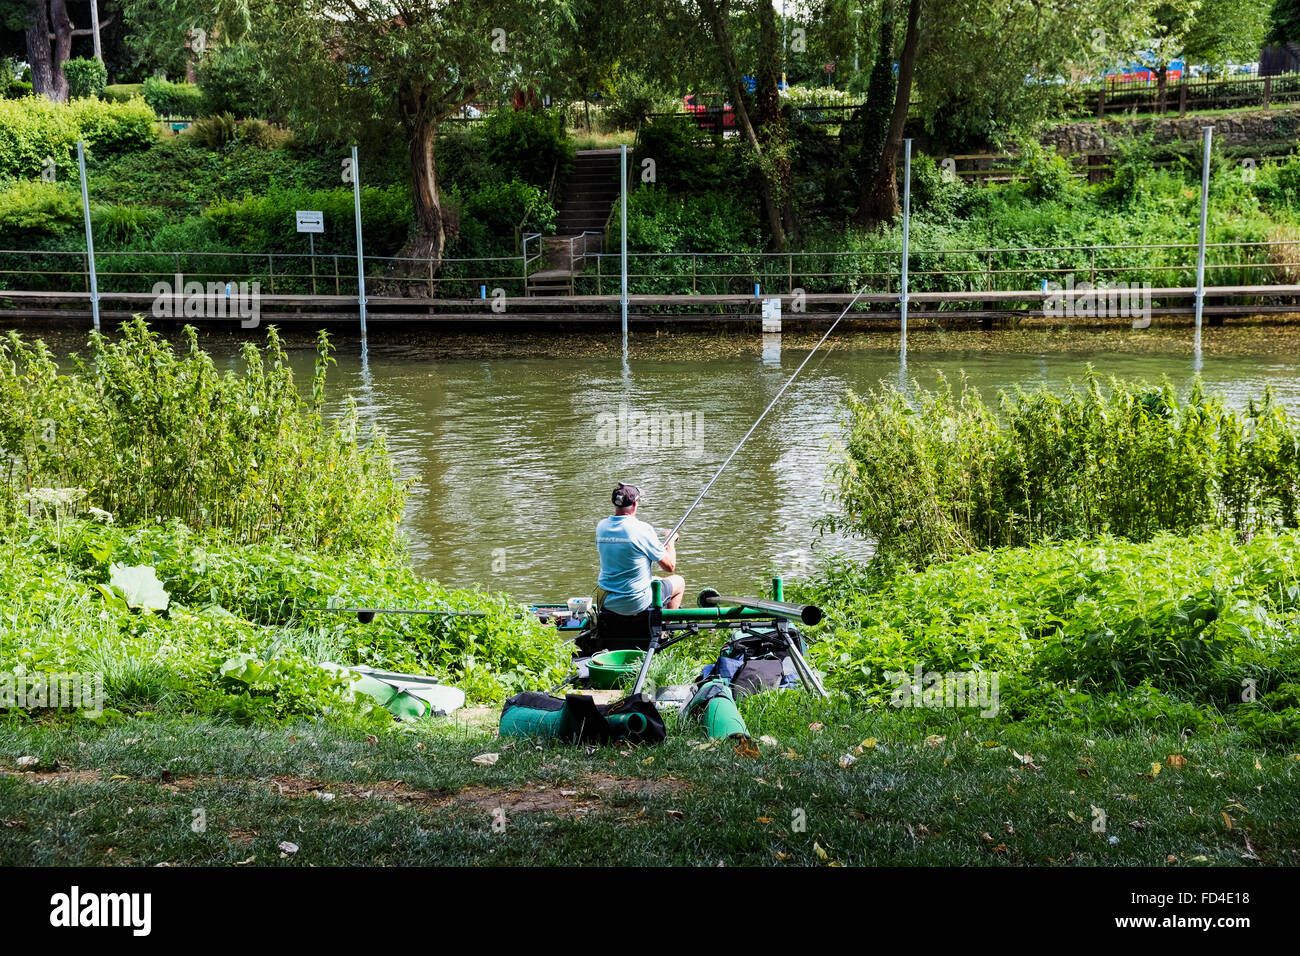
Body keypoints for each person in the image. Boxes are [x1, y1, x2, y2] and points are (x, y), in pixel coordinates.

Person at [594, 482, 684, 613]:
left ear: (613, 503)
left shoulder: (601, 527)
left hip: (607, 600)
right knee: (679, 581)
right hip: (636, 603)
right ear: (635, 504)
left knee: (658, 580)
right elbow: (669, 567)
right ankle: (665, 631)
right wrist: (670, 541)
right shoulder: (642, 529)